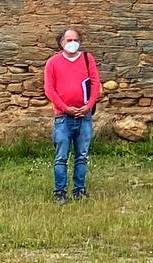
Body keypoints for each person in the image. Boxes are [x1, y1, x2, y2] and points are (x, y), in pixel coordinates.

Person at [43, 27, 102, 204]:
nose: (72, 43)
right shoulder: (52, 63)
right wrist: (65, 108)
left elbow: (95, 83)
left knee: (82, 156)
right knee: (61, 157)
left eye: (75, 39)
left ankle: (79, 190)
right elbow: (49, 90)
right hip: (63, 117)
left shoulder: (87, 59)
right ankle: (60, 192)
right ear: (61, 43)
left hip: (84, 117)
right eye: (68, 40)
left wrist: (88, 106)